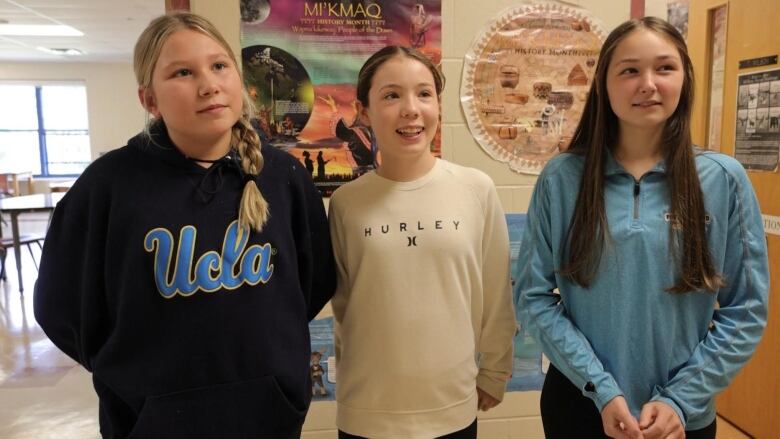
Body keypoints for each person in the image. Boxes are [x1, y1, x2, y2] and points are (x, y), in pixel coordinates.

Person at [33, 12, 335, 439]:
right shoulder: (108, 186)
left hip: (269, 414)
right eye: (182, 72)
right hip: (150, 421)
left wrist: (275, 373)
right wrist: (131, 378)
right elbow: (61, 306)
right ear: (149, 99)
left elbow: (312, 283)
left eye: (218, 66)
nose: (208, 84)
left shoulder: (283, 177)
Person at [515, 17, 769, 439]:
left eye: (665, 68)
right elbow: (533, 297)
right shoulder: (562, 179)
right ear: (604, 84)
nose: (647, 83)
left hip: (680, 418)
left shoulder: (723, 179)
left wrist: (681, 398)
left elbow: (747, 309)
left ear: (685, 80)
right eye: (630, 70)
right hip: (580, 405)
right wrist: (600, 388)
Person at [328, 46, 517, 439]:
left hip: (451, 407)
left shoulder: (475, 189)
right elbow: (344, 306)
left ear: (437, 105)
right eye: (392, 95)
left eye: (424, 93)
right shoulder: (346, 203)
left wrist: (496, 370)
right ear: (364, 111)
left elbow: (497, 294)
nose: (411, 109)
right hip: (367, 411)